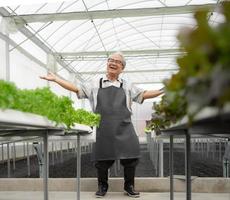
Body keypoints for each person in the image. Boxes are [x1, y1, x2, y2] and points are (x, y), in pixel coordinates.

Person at [40, 52, 164, 198]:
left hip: (125, 126)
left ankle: (129, 186)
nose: (113, 63)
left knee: (131, 158)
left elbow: (144, 94)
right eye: (110, 60)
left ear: (122, 68)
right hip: (103, 127)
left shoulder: (127, 85)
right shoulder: (94, 83)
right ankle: (102, 186)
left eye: (117, 61)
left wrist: (164, 90)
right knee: (102, 160)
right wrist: (56, 79)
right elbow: (76, 89)